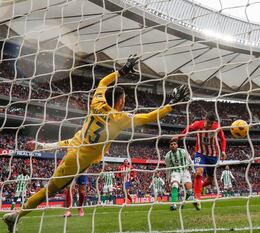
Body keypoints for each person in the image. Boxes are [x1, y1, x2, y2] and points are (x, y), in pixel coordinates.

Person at [3, 55, 190, 232]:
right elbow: (149, 116)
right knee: (48, 191)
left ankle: (17, 216)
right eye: (124, 100)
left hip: (77, 151)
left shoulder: (97, 102)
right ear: (119, 101)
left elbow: (102, 83)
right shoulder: (119, 118)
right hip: (76, 161)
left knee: (50, 191)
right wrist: (171, 104)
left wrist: (122, 71)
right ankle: (16, 215)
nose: (125, 103)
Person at [174, 112, 226, 209]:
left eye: (211, 123)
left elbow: (223, 139)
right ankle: (197, 199)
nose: (209, 125)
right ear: (204, 119)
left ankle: (197, 188)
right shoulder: (198, 124)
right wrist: (178, 137)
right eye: (208, 123)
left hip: (213, 155)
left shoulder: (217, 128)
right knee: (198, 172)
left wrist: (223, 151)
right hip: (200, 153)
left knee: (210, 180)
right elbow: (188, 129)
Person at [164, 139, 197, 210]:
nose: (173, 145)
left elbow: (190, 161)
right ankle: (173, 204)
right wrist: (167, 178)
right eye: (171, 144)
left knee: (189, 191)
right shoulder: (167, 156)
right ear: (169, 146)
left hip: (185, 171)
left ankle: (183, 202)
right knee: (174, 185)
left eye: (174, 144)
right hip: (175, 172)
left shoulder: (183, 151)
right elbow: (168, 168)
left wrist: (194, 171)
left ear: (177, 145)